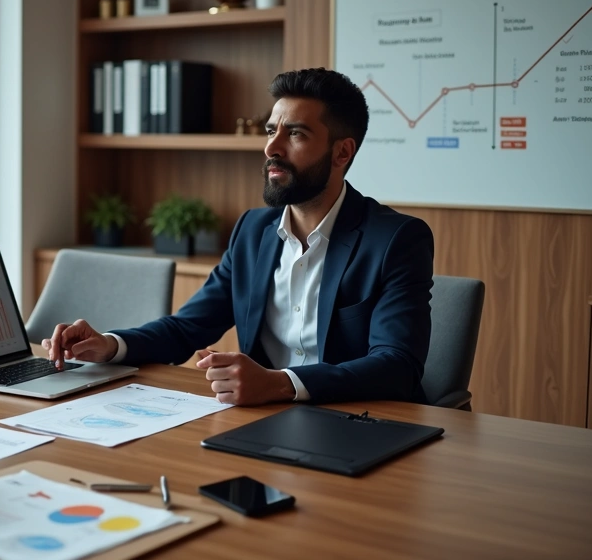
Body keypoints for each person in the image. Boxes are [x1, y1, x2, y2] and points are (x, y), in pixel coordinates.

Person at [45, 68, 434, 406]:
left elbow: (397, 366)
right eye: (271, 130)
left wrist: (280, 384)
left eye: (296, 134)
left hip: (356, 423)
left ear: (342, 153)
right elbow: (187, 327)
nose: (271, 148)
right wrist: (110, 345)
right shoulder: (252, 230)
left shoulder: (396, 240)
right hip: (262, 417)